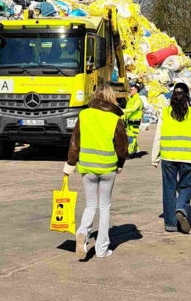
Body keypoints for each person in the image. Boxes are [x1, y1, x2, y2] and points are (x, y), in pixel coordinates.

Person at [64, 84, 128, 260]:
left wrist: (71, 163)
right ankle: (101, 249)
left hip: (87, 168)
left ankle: (83, 232)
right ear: (111, 97)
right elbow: (122, 146)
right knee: (105, 207)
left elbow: (75, 141)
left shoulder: (84, 115)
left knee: (90, 205)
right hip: (108, 168)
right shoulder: (115, 119)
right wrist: (120, 163)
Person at [152, 82, 191, 234]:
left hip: (168, 156)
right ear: (187, 96)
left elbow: (158, 136)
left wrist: (154, 157)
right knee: (186, 186)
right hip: (188, 157)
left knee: (169, 190)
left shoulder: (164, 112)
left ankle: (170, 224)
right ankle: (181, 208)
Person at [123, 82, 144, 157]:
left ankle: (130, 152)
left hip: (135, 121)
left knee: (132, 137)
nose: (130, 91)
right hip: (129, 121)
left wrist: (122, 110)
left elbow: (133, 109)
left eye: (132, 90)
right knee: (131, 136)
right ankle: (137, 152)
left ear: (136, 90)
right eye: (130, 90)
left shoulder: (138, 100)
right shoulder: (131, 99)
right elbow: (127, 110)